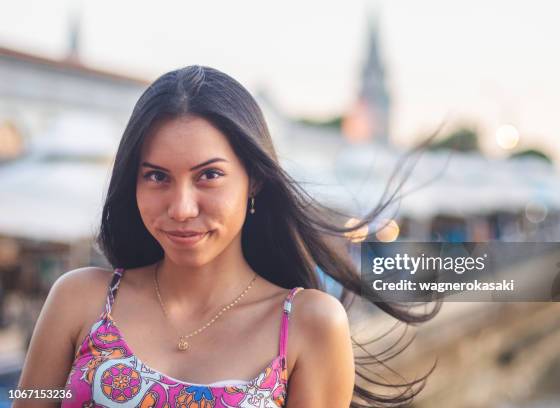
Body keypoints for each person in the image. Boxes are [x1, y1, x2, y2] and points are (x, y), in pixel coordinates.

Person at [15, 66, 439, 407]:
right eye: (157, 176)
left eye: (209, 176)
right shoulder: (79, 300)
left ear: (253, 180)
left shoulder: (309, 326)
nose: (181, 207)